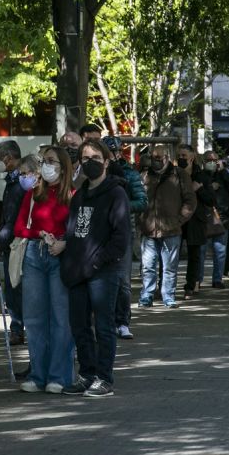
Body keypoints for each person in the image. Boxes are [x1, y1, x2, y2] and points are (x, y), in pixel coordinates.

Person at [60, 141, 130, 398]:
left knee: (103, 326)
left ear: (107, 161)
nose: (90, 161)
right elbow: (74, 232)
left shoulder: (116, 194)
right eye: (85, 157)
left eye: (96, 157)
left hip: (103, 272)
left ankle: (104, 377)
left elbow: (120, 239)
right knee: (79, 325)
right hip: (78, 272)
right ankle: (87, 374)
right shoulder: (79, 195)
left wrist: (98, 261)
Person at [14, 145, 75, 394]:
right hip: (33, 254)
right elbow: (20, 228)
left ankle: (59, 376)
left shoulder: (72, 194)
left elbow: (78, 231)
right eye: (44, 161)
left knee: (61, 318)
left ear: (63, 167)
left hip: (60, 256)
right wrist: (39, 233)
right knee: (34, 318)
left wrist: (63, 243)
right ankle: (38, 375)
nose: (46, 165)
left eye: (51, 161)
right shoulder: (33, 194)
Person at [139, 144, 196, 308]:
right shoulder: (144, 175)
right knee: (148, 267)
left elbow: (190, 200)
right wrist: (141, 220)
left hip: (171, 229)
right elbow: (138, 199)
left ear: (167, 158)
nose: (155, 161)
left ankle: (168, 297)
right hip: (149, 229)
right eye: (153, 158)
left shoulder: (180, 175)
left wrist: (179, 220)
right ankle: (146, 296)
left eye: (159, 158)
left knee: (169, 268)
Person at [104, 136, 147, 339]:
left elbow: (142, 201)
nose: (114, 155)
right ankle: (106, 321)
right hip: (99, 232)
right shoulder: (95, 174)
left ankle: (122, 321)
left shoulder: (129, 173)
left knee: (123, 280)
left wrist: (121, 206)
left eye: (115, 151)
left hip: (122, 230)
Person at [0, 140, 27, 346]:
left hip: (16, 242)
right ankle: (17, 328)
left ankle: (18, 328)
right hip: (11, 239)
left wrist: (0, 241)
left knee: (15, 287)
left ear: (9, 157)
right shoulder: (13, 181)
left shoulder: (19, 182)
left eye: (0, 159)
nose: (0, 163)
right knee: (13, 289)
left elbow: (12, 218)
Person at [195, 150, 229, 290]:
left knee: (220, 251)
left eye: (214, 160)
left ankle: (217, 279)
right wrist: (210, 187)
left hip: (221, 218)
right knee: (201, 251)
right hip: (204, 218)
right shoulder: (200, 176)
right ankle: (198, 279)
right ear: (204, 162)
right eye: (209, 160)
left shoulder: (223, 176)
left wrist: (222, 171)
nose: (212, 163)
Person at [177, 144, 212, 299]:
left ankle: (191, 285)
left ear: (192, 157)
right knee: (170, 254)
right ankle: (165, 285)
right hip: (177, 218)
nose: (181, 159)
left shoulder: (201, 176)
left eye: (184, 156)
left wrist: (199, 189)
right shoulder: (174, 174)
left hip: (195, 220)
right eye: (179, 156)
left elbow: (211, 200)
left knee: (194, 255)